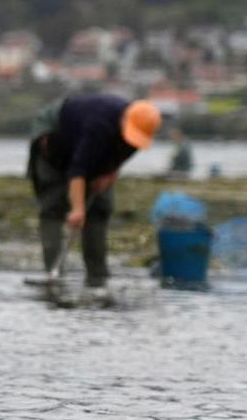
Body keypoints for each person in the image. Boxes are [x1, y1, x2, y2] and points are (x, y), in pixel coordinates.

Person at [26, 94, 160, 287]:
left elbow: (122, 155)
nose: (133, 142)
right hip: (55, 146)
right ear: (124, 120)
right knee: (53, 209)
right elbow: (78, 170)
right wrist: (77, 209)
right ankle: (54, 275)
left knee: (99, 209)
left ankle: (98, 276)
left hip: (91, 154)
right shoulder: (98, 125)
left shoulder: (139, 130)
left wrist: (109, 174)